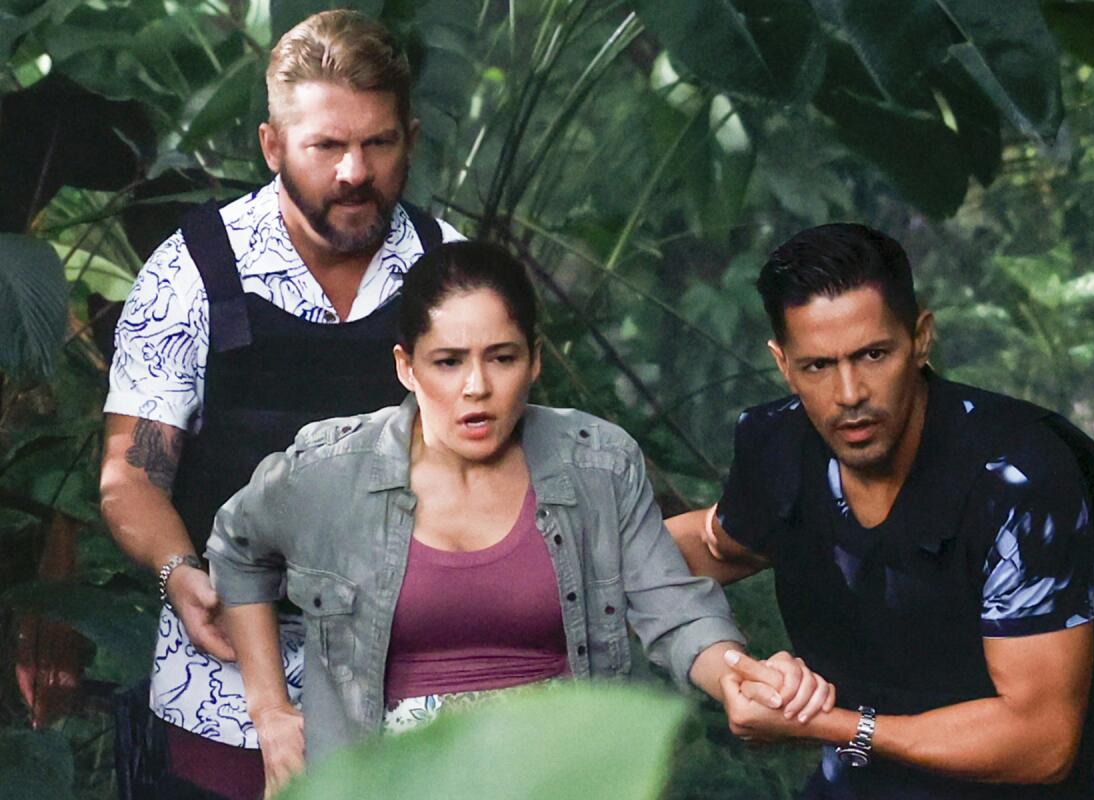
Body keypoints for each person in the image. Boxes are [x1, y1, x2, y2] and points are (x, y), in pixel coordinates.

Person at [205, 241, 836, 797]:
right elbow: (236, 549)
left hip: (558, 772)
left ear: (534, 360)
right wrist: (269, 709)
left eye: (501, 358)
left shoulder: (598, 463)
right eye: (448, 361)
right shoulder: (330, 472)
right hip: (387, 776)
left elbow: (671, 607)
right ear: (406, 366)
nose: (476, 386)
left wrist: (739, 677)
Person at [98, 11, 462, 798]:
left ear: (412, 137)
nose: (355, 172)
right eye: (326, 146)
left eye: (378, 143)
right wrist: (178, 571)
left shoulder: (453, 272)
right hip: (223, 688)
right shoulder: (191, 270)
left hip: (419, 688)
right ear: (272, 145)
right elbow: (131, 476)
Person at [667, 223, 1094, 799]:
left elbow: (1041, 742)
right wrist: (556, 556)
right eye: (817, 367)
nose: (850, 392)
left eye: (873, 354)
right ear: (783, 364)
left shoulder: (1017, 476)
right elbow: (714, 545)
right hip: (856, 782)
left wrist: (828, 724)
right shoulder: (780, 443)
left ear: (921, 338)